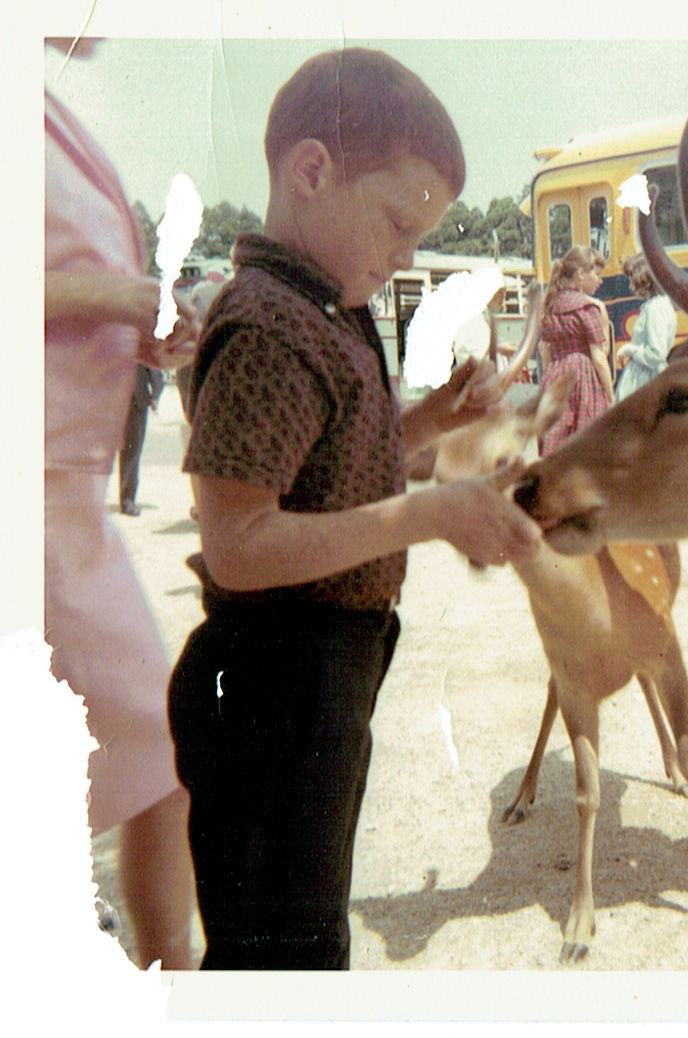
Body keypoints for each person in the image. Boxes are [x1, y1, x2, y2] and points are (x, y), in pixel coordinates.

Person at [165, 48, 542, 970]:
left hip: (316, 680)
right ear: (311, 172)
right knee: (279, 954)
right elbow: (240, 543)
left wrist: (432, 420)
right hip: (270, 682)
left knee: (307, 931)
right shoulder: (267, 325)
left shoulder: (326, 309)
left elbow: (336, 466)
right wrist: (432, 515)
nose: (407, 254)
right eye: (397, 223)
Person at [44, 37, 199, 969]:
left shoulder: (47, 109)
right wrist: (121, 296)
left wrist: (130, 325)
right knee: (145, 753)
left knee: (153, 757)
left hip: (67, 508)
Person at [537, 245, 614, 455]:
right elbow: (598, 357)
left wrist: (550, 376)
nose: (600, 280)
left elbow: (545, 352)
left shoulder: (551, 304)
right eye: (596, 274)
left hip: (554, 377)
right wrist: (610, 395)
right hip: (583, 379)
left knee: (554, 443)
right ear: (580, 274)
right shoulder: (586, 307)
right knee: (585, 445)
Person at [614, 253, 676, 401]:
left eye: (631, 279)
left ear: (643, 278)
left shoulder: (654, 308)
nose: (630, 285)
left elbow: (656, 353)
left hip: (645, 378)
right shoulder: (661, 303)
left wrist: (629, 349)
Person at [118, 364, 165, 515]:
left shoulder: (141, 340)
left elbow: (152, 363)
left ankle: (128, 499)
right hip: (109, 398)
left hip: (135, 400)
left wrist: (156, 393)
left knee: (132, 450)